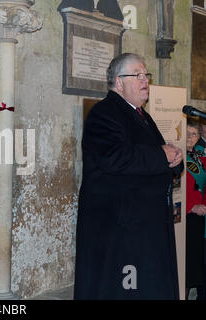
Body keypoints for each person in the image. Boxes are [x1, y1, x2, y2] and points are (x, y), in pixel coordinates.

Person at [74, 53, 184, 299]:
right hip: (120, 229)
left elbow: (153, 155)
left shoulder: (140, 115)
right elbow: (115, 158)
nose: (145, 80)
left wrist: (174, 161)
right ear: (118, 82)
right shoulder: (104, 113)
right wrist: (161, 156)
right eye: (138, 75)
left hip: (144, 225)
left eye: (146, 75)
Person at [185, 119, 206, 299]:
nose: (190, 137)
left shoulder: (198, 156)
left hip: (200, 218)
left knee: (197, 266)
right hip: (187, 218)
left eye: (194, 134)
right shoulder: (177, 157)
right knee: (187, 267)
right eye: (188, 133)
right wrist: (191, 207)